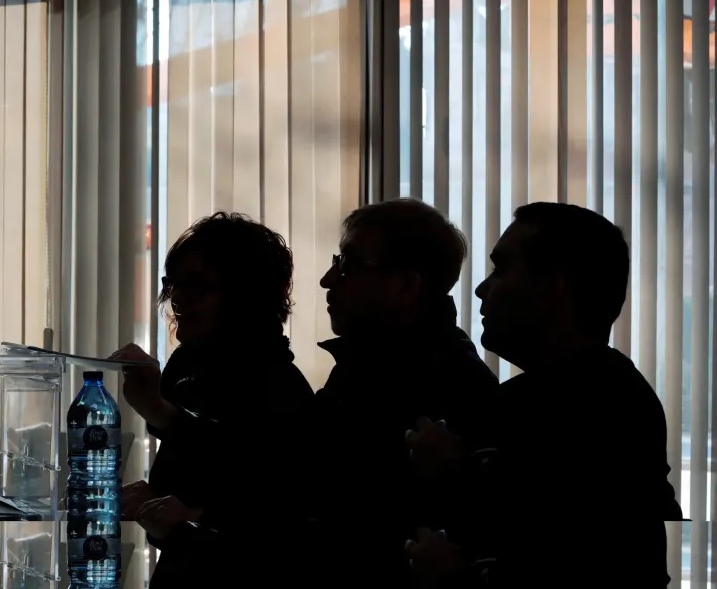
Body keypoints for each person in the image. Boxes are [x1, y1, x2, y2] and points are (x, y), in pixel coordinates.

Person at [405, 202, 682, 587]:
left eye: (501, 269)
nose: (482, 288)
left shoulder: (601, 409)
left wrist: (453, 576)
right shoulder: (582, 394)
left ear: (553, 287)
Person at [109, 212, 314, 589]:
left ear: (246, 295)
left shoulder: (279, 388)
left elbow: (268, 521)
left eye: (197, 285)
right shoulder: (188, 367)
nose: (177, 299)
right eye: (173, 284)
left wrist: (180, 517)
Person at [307, 198, 498, 586]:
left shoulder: (450, 387)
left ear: (407, 286)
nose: (327, 279)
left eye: (349, 264)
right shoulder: (365, 367)